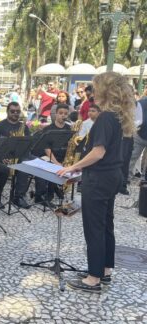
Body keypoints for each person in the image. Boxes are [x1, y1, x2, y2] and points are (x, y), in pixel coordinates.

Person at [58, 71, 134, 293]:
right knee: (106, 225)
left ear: (105, 90)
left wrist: (73, 167)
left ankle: (93, 278)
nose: (91, 92)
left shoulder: (105, 118)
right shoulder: (118, 116)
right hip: (113, 176)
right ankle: (105, 270)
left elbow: (98, 152)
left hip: (99, 179)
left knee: (94, 227)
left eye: (95, 87)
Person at [0, 102, 31, 209]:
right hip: (1, 158)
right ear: (7, 111)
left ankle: (18, 196)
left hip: (18, 157)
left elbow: (28, 144)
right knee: (3, 169)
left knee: (26, 164)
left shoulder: (23, 127)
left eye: (17, 111)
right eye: (12, 111)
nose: (15, 114)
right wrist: (1, 157)